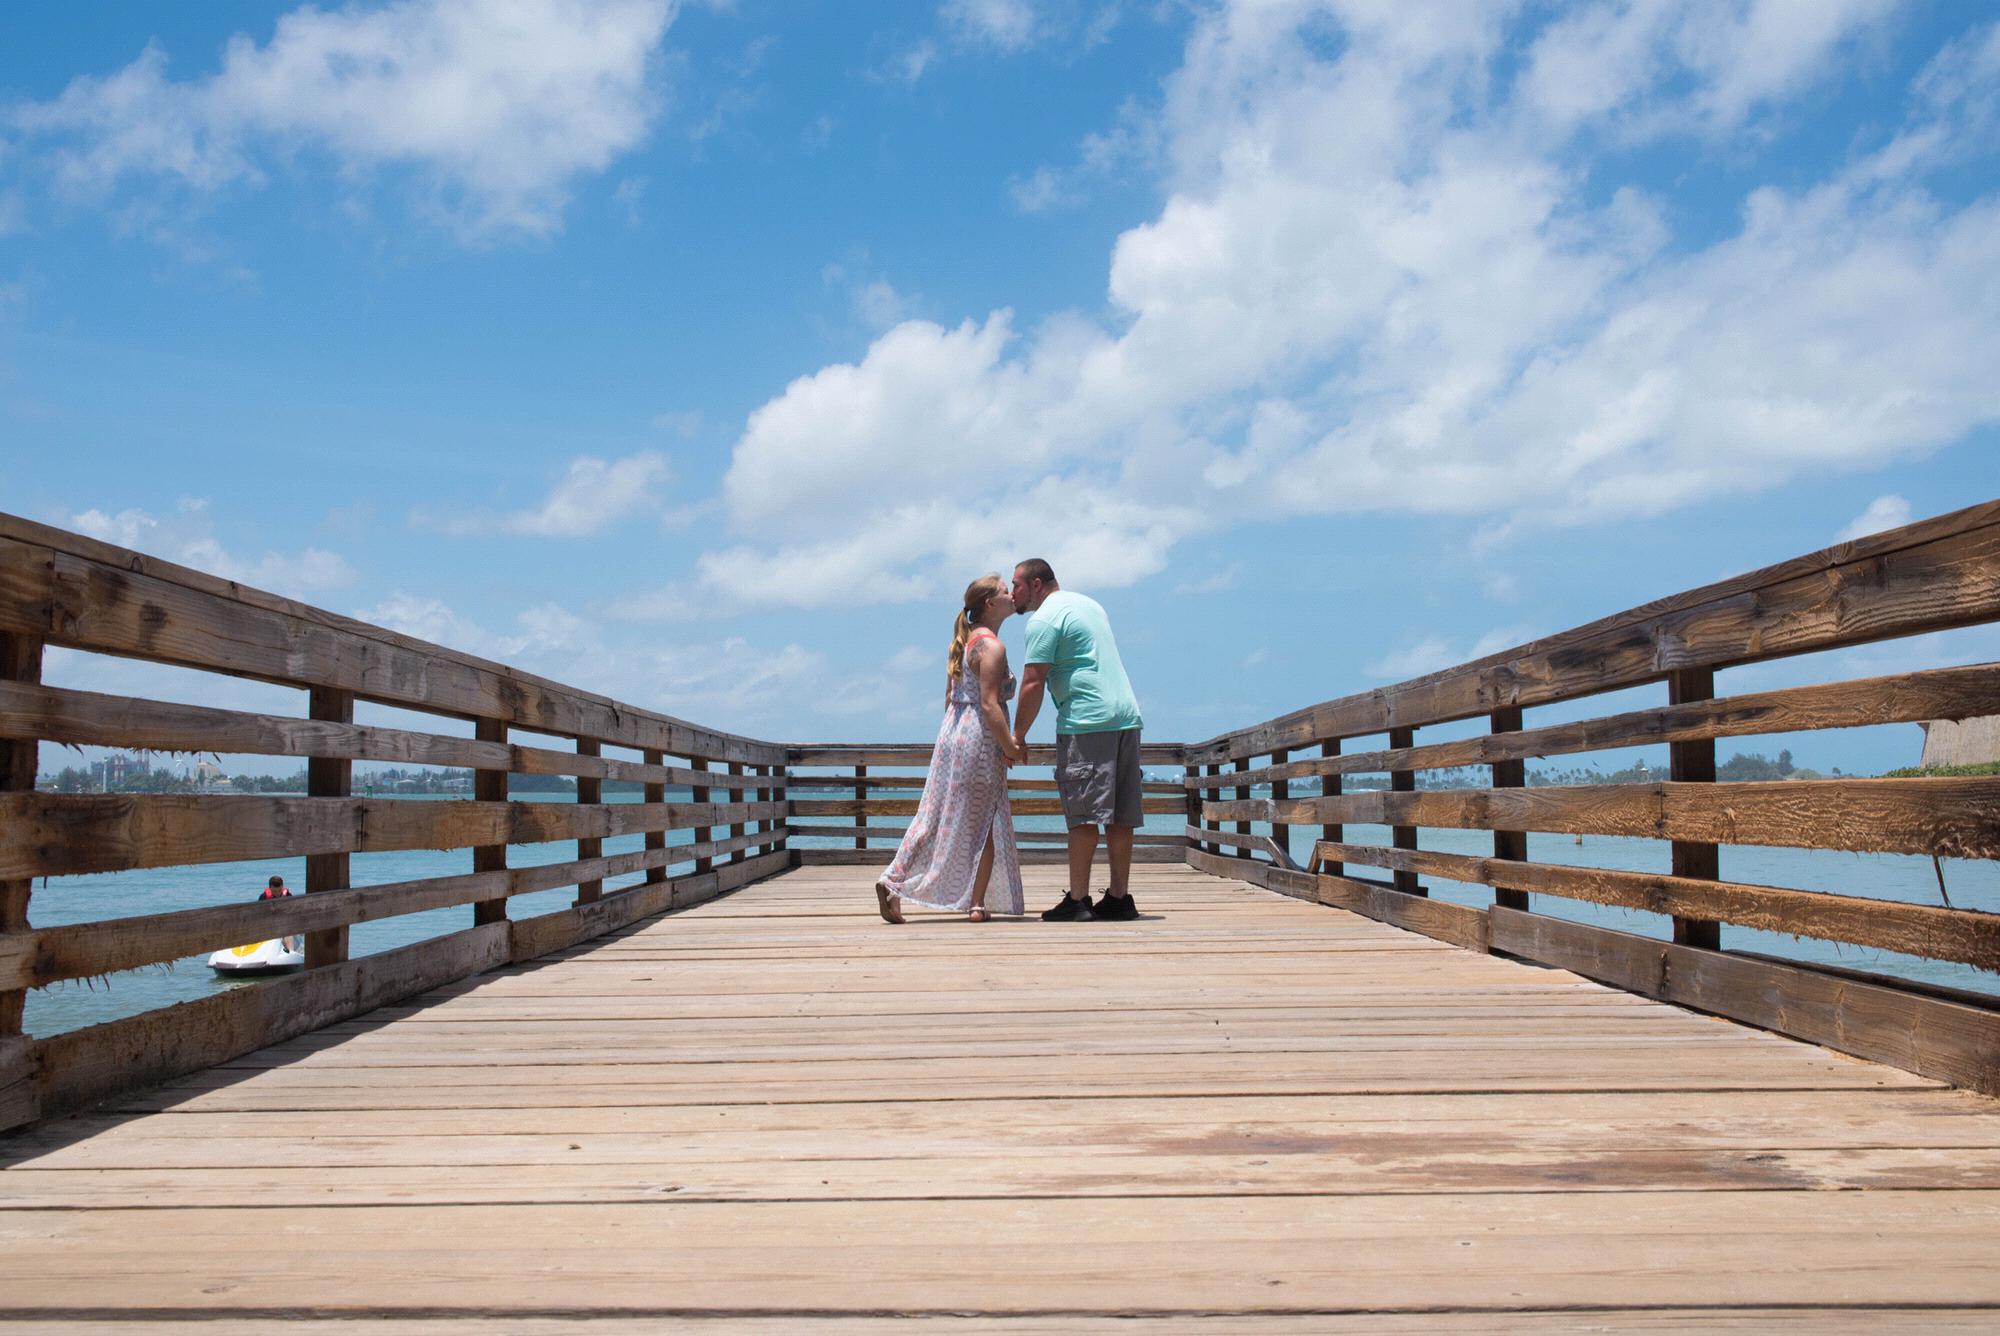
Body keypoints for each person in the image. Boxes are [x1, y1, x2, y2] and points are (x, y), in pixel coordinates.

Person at [874, 575, 1028, 924]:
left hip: (953, 732)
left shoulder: (961, 641)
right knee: (985, 819)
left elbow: (949, 697)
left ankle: (894, 879)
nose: (1011, 596)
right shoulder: (992, 647)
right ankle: (974, 904)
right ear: (990, 603)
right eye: (1005, 591)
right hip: (979, 735)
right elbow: (990, 705)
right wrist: (1010, 747)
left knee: (933, 814)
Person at [1011, 558, 1144, 922]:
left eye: (1016, 586)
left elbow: (1034, 681)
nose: (1012, 594)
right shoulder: (1088, 604)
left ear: (1036, 584)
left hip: (1087, 720)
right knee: (1119, 815)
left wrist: (1017, 735)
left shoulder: (1044, 619)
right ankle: (1119, 897)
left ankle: (1079, 900)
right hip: (1126, 715)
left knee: (1083, 816)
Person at [258, 875, 300, 952]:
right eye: (274, 891)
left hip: (283, 924)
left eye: (279, 891)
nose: (277, 894)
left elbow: (294, 910)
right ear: (270, 888)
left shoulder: (287, 895)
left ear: (282, 887)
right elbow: (259, 914)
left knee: (286, 930)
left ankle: (291, 952)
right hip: (269, 923)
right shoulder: (263, 897)